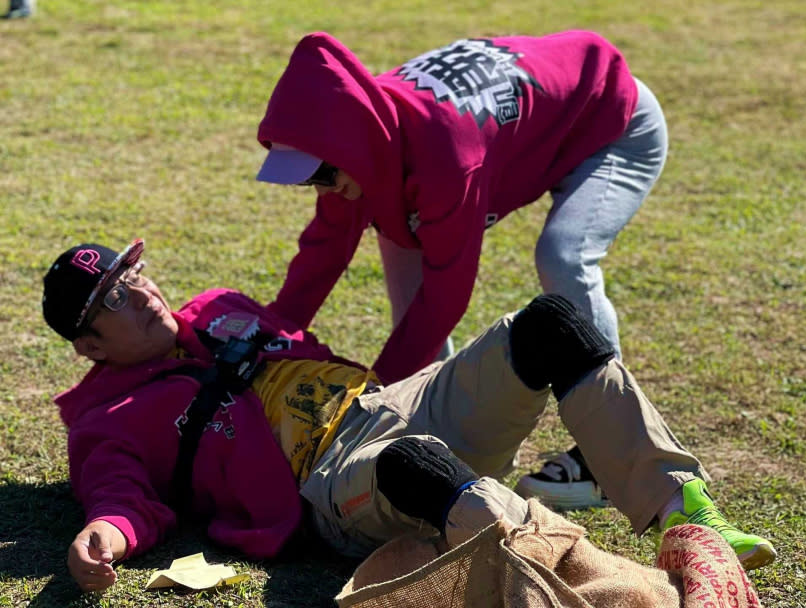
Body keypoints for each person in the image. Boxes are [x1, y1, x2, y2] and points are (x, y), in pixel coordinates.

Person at [41, 238, 775, 592]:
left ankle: (695, 517)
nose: (140, 293)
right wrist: (103, 534)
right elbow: (119, 496)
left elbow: (315, 358)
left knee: (551, 324)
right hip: (329, 480)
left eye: (132, 274)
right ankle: (614, 590)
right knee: (416, 469)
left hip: (391, 401)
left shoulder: (222, 309)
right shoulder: (108, 418)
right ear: (88, 344)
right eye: (113, 297)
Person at [254, 30, 669, 507]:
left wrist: (375, 400)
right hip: (537, 126)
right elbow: (322, 253)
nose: (319, 189)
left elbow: (446, 296)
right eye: (305, 180)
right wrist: (270, 341)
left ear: (350, 147)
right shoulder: (361, 135)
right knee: (399, 234)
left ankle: (611, 457)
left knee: (563, 255)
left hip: (610, 122)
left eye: (322, 174)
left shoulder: (447, 154)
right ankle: (435, 434)